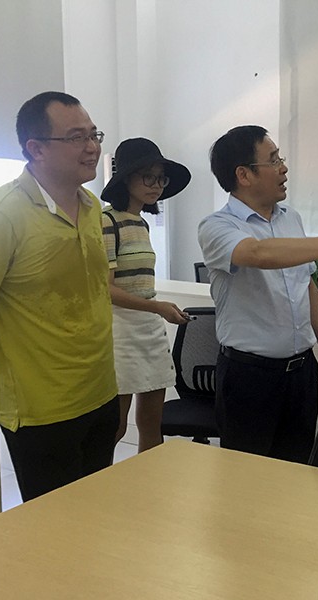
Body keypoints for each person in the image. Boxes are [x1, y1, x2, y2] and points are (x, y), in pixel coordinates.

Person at [0, 91, 118, 501]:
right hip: (42, 408)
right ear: (35, 149)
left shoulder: (92, 206)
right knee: (54, 527)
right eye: (76, 137)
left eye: (94, 135)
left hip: (100, 391)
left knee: (98, 512)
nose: (92, 147)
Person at [198, 125, 318, 463]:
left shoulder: (291, 219)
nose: (284, 168)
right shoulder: (217, 226)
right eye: (273, 160)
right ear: (244, 174)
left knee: (297, 468)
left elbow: (306, 284)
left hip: (300, 372)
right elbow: (257, 254)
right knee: (245, 474)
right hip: (249, 376)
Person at [101, 138, 192, 452]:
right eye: (148, 177)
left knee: (152, 423)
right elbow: (106, 289)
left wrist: (158, 309)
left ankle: (149, 481)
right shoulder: (107, 221)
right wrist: (157, 308)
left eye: (160, 179)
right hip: (120, 330)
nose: (156, 185)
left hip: (149, 328)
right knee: (115, 426)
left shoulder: (141, 223)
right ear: (127, 178)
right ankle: (100, 481)